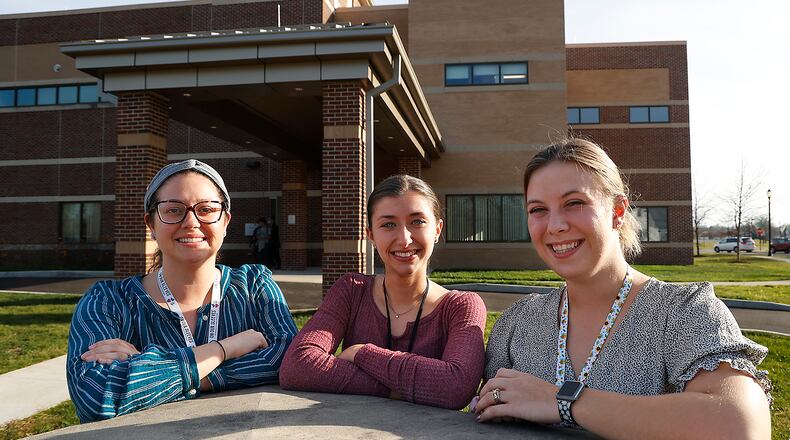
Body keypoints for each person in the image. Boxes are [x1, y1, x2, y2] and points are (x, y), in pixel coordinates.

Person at [474, 139, 772, 438]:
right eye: (538, 209)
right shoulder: (519, 322)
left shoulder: (681, 311)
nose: (554, 225)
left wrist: (563, 402)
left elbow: (740, 425)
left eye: (574, 203)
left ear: (617, 211)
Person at [66, 159, 298, 422]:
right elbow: (96, 397)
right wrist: (225, 349)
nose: (191, 222)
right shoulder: (108, 301)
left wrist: (149, 370)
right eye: (174, 210)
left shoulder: (254, 286)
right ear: (151, 224)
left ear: (225, 222)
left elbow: (292, 360)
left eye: (207, 209)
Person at [280, 174, 487, 409]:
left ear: (438, 229)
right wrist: (396, 390)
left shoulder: (461, 306)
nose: (404, 239)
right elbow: (297, 366)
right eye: (388, 224)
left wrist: (361, 353)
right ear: (371, 235)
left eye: (417, 222)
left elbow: (456, 388)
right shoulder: (351, 291)